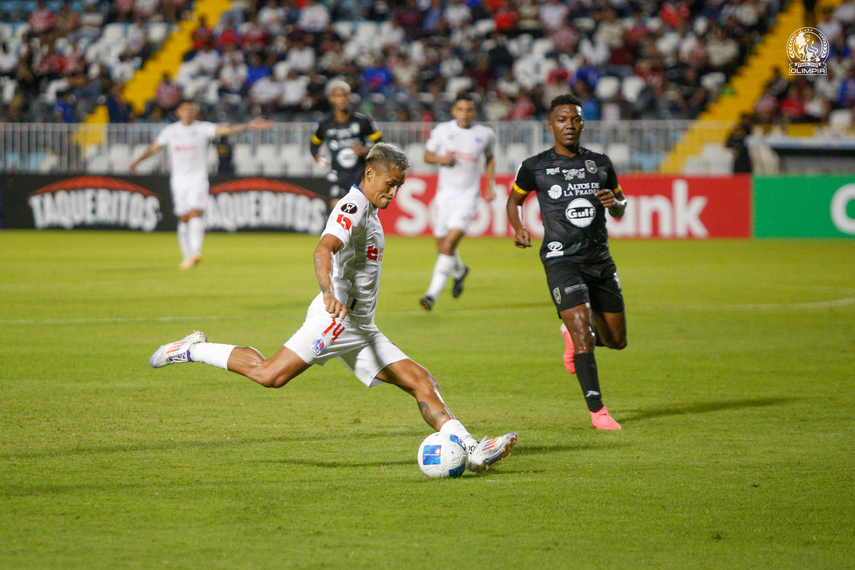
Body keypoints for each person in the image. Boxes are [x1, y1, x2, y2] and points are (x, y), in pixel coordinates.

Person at [149, 143, 517, 472]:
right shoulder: (353, 206)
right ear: (370, 174)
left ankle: (472, 449)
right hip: (336, 320)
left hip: (360, 326)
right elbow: (323, 249)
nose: (394, 192)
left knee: (421, 380)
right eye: (390, 183)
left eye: (399, 185)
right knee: (269, 375)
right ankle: (192, 349)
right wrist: (328, 292)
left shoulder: (370, 211)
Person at [506, 94, 627, 430]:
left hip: (599, 258)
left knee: (617, 340)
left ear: (583, 123)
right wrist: (518, 227)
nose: (569, 125)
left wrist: (613, 203)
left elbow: (620, 205)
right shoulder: (535, 166)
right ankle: (598, 412)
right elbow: (513, 201)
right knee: (585, 330)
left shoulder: (601, 163)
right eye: (562, 119)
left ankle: (570, 335)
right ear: (550, 125)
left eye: (575, 119)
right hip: (561, 259)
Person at [128, 101, 271, 269]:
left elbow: (226, 129)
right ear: (179, 112)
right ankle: (187, 256)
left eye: (191, 110)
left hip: (198, 179)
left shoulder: (202, 128)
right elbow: (154, 148)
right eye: (185, 110)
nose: (188, 113)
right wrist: (136, 162)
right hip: (178, 181)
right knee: (183, 217)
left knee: (196, 212)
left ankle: (195, 252)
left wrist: (247, 126)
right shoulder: (170, 131)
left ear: (195, 113)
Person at [419, 92, 496, 311]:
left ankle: (431, 295)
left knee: (449, 245)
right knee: (442, 246)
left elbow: (490, 158)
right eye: (460, 109)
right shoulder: (443, 131)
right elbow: (427, 155)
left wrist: (490, 184)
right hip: (444, 197)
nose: (465, 114)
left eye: (469, 110)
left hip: (468, 198)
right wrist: (440, 159)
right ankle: (460, 270)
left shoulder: (485, 134)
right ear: (454, 111)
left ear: (474, 112)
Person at [310, 79, 382, 208]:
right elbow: (314, 145)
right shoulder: (325, 124)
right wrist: (317, 157)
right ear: (331, 99)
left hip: (360, 175)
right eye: (338, 96)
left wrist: (365, 150)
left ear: (349, 97)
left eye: (345, 95)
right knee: (337, 211)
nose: (342, 99)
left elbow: (381, 145)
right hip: (337, 175)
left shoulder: (363, 121)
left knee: (359, 218)